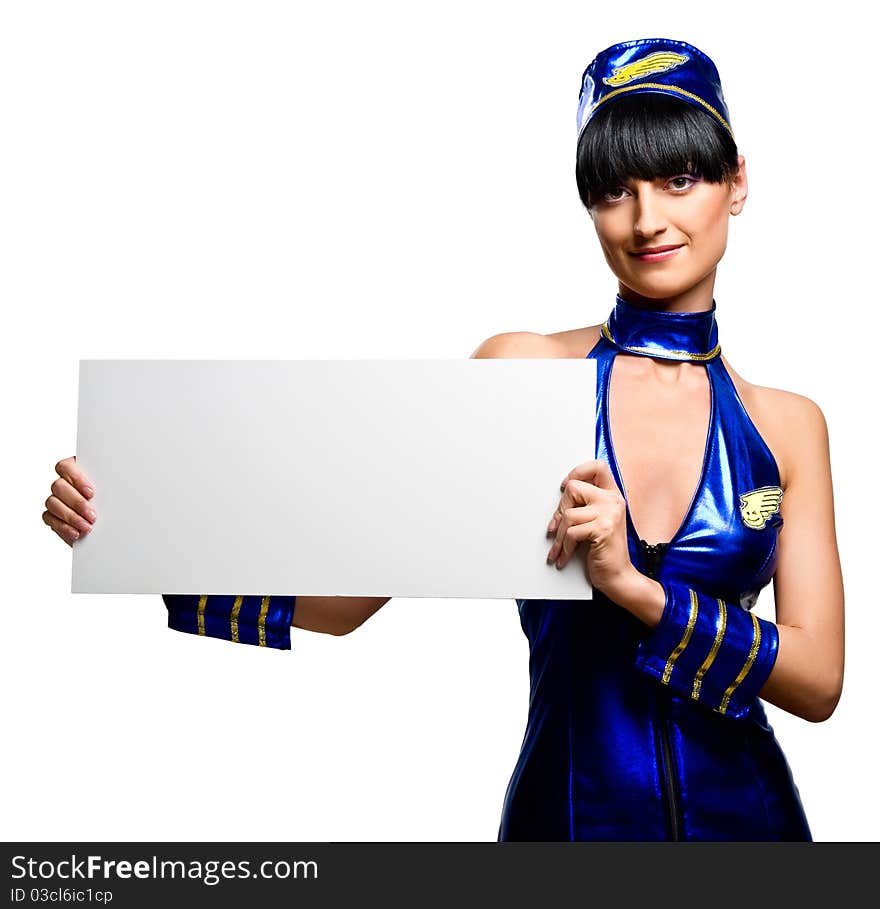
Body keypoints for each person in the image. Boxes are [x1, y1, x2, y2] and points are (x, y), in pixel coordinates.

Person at [43, 37, 844, 841]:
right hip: (567, 824)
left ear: (736, 182)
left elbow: (818, 681)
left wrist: (636, 589)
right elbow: (349, 599)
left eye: (680, 179)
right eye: (612, 190)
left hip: (757, 829)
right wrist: (135, 530)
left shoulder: (786, 425)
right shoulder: (523, 374)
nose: (647, 220)